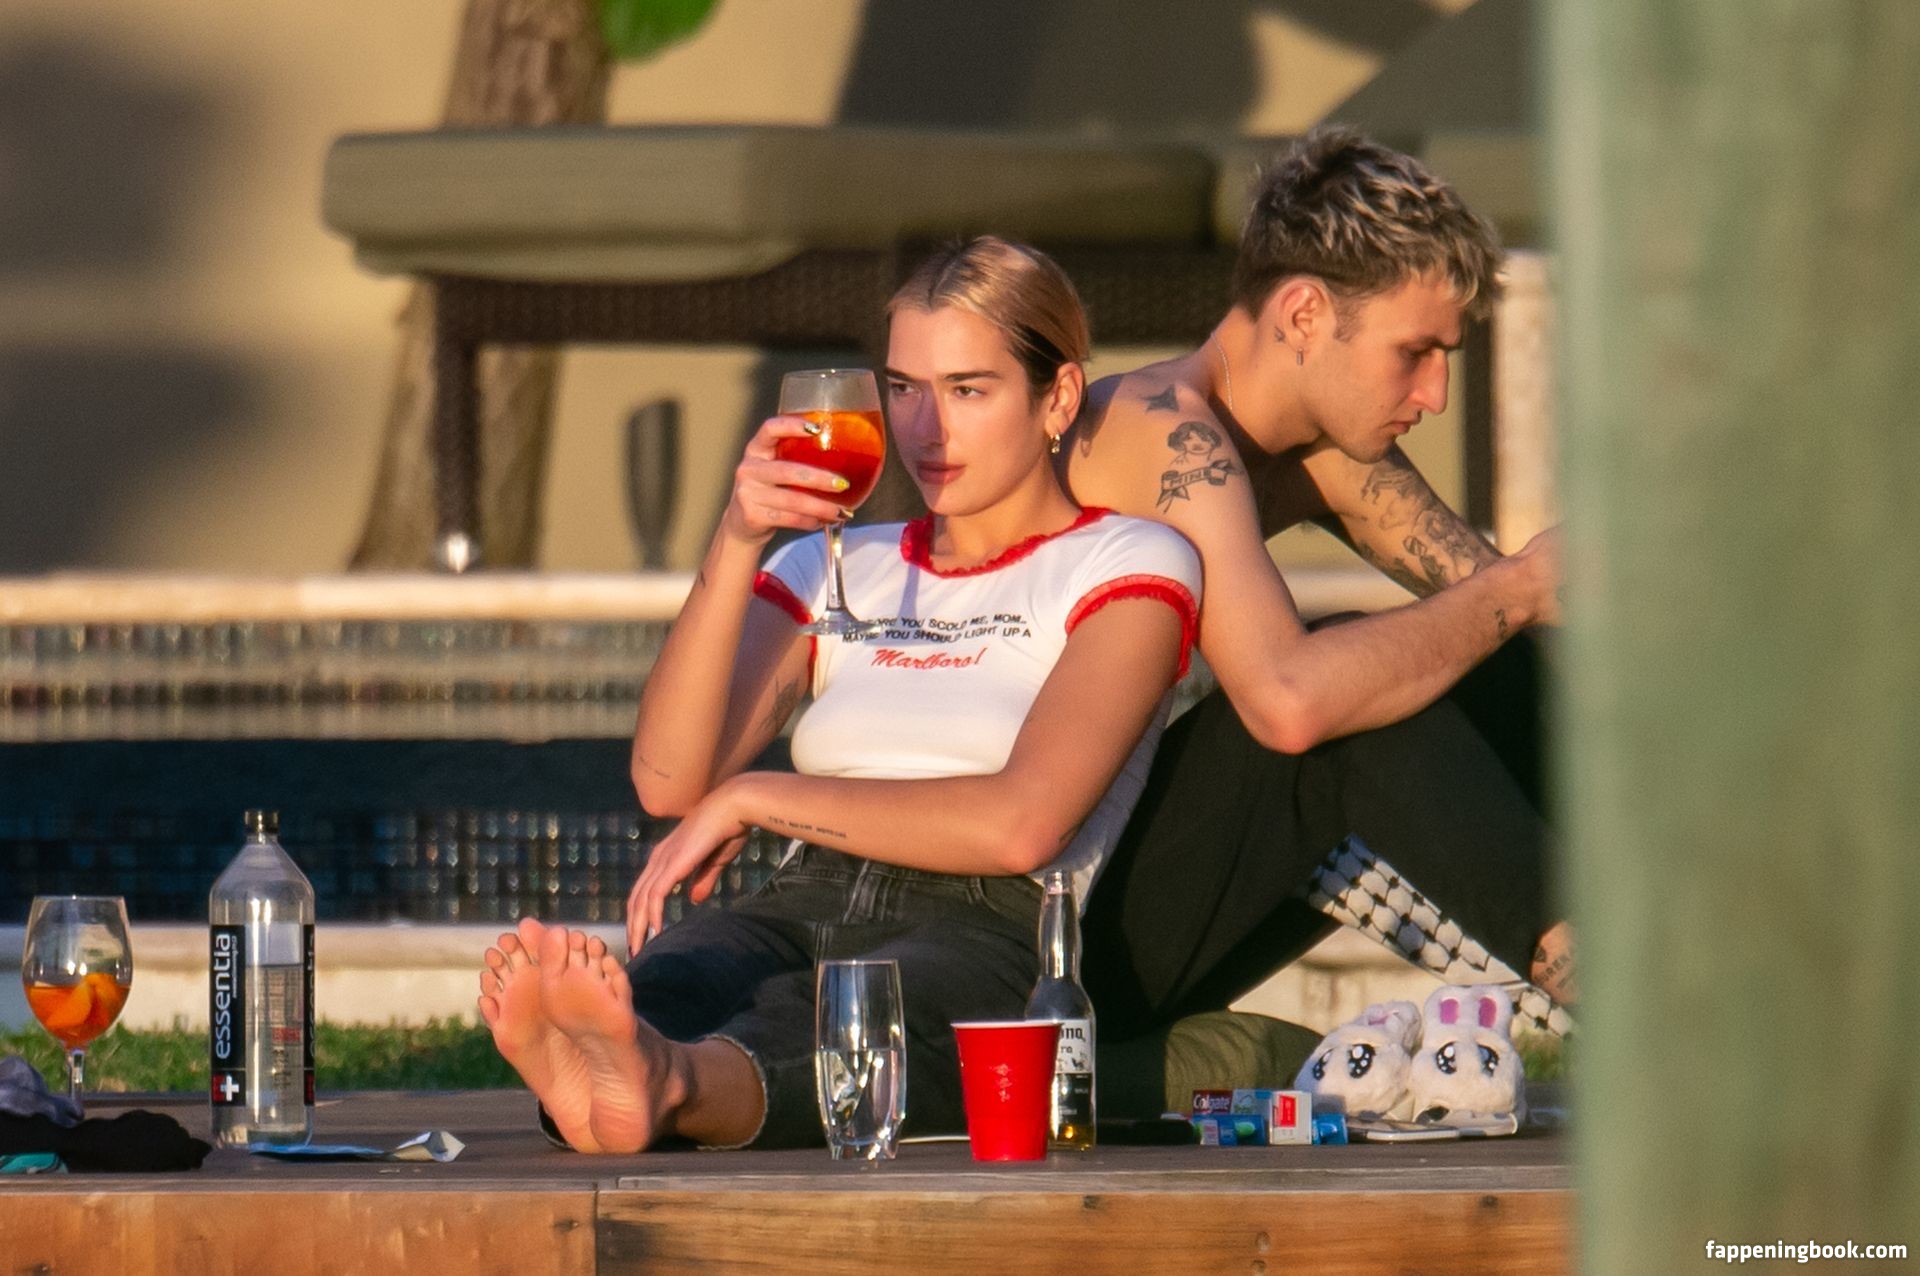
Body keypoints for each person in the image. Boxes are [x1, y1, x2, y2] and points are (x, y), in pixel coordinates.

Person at [476, 237, 1202, 1153]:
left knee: (858, 1019)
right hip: (805, 890)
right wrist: (738, 537)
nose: (927, 428)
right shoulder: (833, 562)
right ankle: (625, 1078)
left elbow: (1023, 825)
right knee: (676, 979)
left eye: (968, 390)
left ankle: (664, 1085)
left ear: (1057, 397)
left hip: (988, 912)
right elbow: (668, 779)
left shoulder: (1128, 561)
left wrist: (756, 797)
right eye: (904, 388)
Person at [1060, 126, 1575, 1041]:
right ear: (1302, 315)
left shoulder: (1316, 456)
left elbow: (1512, 610)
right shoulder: (1158, 431)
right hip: (1050, 936)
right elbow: (1288, 704)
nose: (1435, 394)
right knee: (1343, 696)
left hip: (1151, 893)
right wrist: (1526, 588)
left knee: (1495, 662)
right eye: (1413, 353)